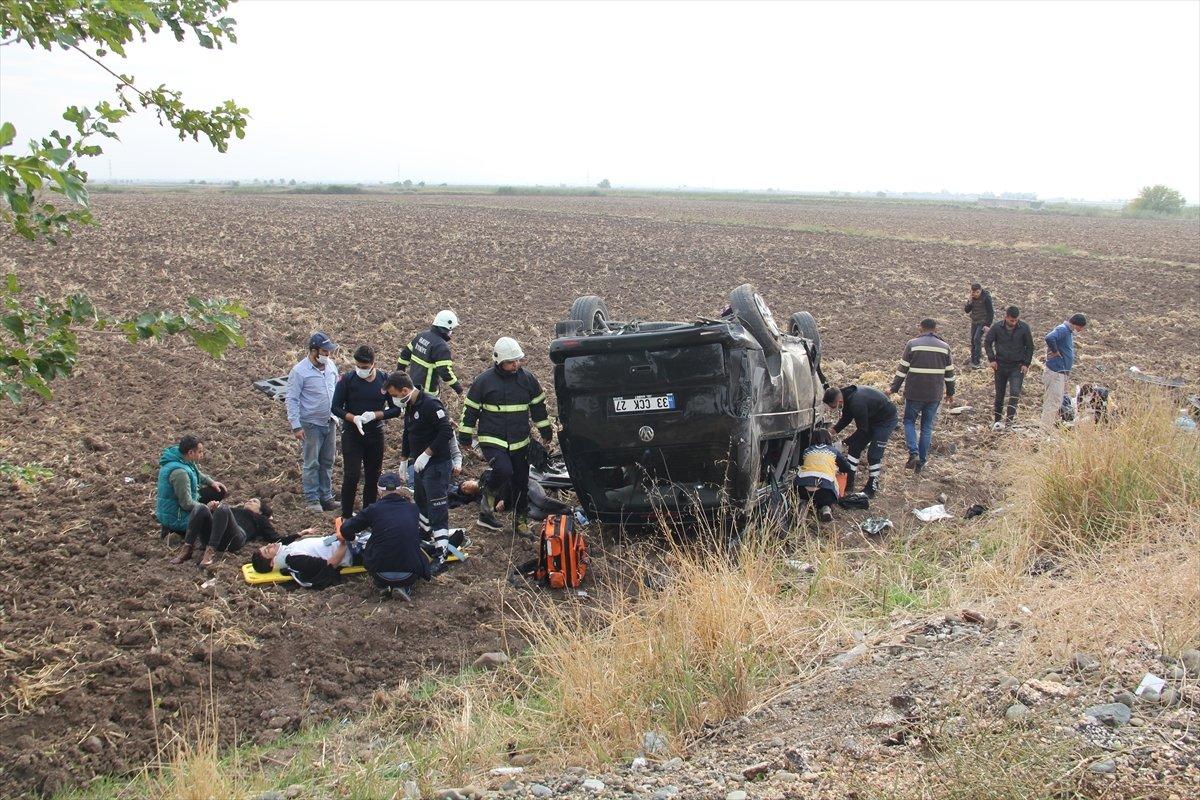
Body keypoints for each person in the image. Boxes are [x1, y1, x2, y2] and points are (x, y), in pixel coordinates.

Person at [458, 337, 553, 535]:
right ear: (499, 360)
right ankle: (487, 501)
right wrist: (465, 437)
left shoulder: (528, 380)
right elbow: (470, 411)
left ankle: (520, 522)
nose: (515, 364)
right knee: (503, 469)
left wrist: (546, 432)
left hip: (520, 441)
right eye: (511, 362)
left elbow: (538, 409)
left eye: (518, 360)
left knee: (521, 482)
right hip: (492, 439)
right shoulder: (483, 381)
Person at [388, 373, 456, 553]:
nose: (394, 400)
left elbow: (446, 431)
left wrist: (427, 453)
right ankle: (424, 535)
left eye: (394, 395)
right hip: (420, 466)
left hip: (436, 465)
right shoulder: (410, 405)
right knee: (421, 502)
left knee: (437, 508)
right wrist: (404, 459)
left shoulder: (430, 404)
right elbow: (407, 432)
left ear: (404, 391)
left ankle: (441, 551)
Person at [340, 473, 433, 598]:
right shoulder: (413, 508)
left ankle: (382, 585)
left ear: (379, 491)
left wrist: (353, 539)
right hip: (409, 573)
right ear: (400, 489)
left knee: (372, 545)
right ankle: (404, 587)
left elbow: (345, 528)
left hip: (380, 572)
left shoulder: (373, 509)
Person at [331, 345, 396, 519]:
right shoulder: (347, 380)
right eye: (358, 366)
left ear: (374, 364)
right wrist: (354, 418)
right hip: (352, 434)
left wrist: (376, 415)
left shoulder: (384, 380)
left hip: (375, 434)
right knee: (351, 475)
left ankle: (368, 514)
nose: (361, 370)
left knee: (373, 476)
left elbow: (396, 409)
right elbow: (335, 407)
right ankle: (346, 515)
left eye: (365, 368)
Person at [888, 318, 955, 473]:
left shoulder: (912, 344)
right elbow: (950, 374)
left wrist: (893, 389)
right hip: (934, 394)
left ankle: (913, 453)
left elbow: (902, 370)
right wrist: (950, 392)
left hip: (914, 393)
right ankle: (921, 463)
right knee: (927, 427)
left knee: (909, 421)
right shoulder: (945, 347)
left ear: (920, 328)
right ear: (935, 329)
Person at [286, 332, 340, 512]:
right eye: (325, 351)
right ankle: (312, 499)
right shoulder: (299, 371)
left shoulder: (331, 366)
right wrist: (296, 425)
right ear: (314, 351)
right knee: (311, 463)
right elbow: (292, 399)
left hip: (330, 421)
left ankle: (326, 497)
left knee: (327, 461)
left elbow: (336, 388)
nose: (328, 355)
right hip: (311, 424)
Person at [824, 384, 897, 498]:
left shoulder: (857, 403)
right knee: (855, 446)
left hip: (885, 420)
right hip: (870, 419)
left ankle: (872, 485)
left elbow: (862, 430)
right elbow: (846, 418)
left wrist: (844, 443)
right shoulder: (847, 396)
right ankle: (849, 481)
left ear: (839, 401)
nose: (834, 409)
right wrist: (831, 432)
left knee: (874, 453)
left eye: (833, 406)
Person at [156, 434, 228, 540]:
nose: (202, 455)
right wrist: (206, 508)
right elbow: (186, 504)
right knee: (215, 524)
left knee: (218, 491)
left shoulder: (181, 458)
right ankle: (174, 530)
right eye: (200, 452)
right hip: (177, 515)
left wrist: (211, 482)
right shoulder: (180, 473)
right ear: (190, 452)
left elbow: (196, 473)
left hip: (181, 504)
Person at [177, 498, 281, 567]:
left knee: (223, 508)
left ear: (260, 511)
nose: (250, 501)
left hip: (235, 538)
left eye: (254, 501)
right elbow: (215, 520)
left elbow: (274, 537)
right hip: (214, 534)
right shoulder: (234, 510)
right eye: (249, 500)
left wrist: (296, 535)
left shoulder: (259, 518)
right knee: (201, 507)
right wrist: (211, 509)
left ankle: (210, 553)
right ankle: (187, 549)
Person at [249, 525, 355, 589]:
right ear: (272, 563)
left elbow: (283, 541)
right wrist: (344, 542)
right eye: (267, 550)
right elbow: (331, 565)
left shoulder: (289, 550)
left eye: (266, 545)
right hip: (353, 551)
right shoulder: (295, 560)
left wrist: (300, 534)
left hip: (346, 540)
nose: (270, 544)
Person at [984, 306, 1035, 430]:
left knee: (1015, 393)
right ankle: (997, 421)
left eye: (1015, 320)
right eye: (1011, 320)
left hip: (1016, 367)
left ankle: (1009, 423)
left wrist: (1026, 364)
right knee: (999, 394)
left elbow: (1030, 347)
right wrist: (992, 359)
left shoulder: (1024, 328)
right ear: (1006, 317)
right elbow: (987, 342)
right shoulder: (996, 327)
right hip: (1000, 366)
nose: (1013, 323)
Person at [397, 310, 464, 397]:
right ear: (448, 328)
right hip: (427, 394)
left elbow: (404, 355)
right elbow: (445, 372)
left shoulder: (421, 336)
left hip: (412, 388)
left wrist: (400, 374)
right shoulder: (441, 347)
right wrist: (459, 389)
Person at [794, 428, 854, 523]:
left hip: (802, 487)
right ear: (828, 439)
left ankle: (802, 508)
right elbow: (847, 467)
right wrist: (839, 470)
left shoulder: (807, 450)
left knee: (804, 498)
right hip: (825, 489)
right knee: (827, 494)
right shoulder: (833, 450)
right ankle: (826, 508)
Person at [1041, 313, 1087, 431]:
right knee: (1053, 401)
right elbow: (1049, 337)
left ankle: (1049, 427)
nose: (1081, 330)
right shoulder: (1063, 329)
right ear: (1077, 324)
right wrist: (1055, 352)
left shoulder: (1067, 332)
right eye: (1081, 327)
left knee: (1056, 401)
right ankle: (1045, 430)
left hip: (1060, 373)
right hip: (1055, 372)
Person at [963, 283, 995, 369]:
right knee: (973, 340)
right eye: (973, 293)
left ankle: (977, 362)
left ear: (980, 290)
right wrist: (969, 302)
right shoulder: (972, 298)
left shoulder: (986, 298)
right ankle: (973, 359)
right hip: (975, 321)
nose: (975, 294)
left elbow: (991, 312)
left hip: (983, 322)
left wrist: (987, 325)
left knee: (977, 338)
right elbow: (967, 310)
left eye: (977, 292)